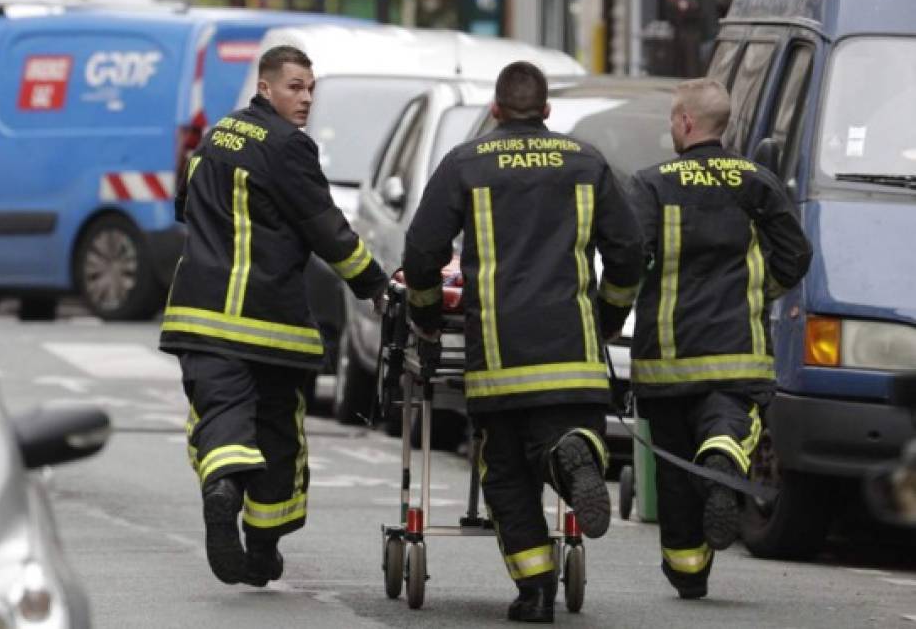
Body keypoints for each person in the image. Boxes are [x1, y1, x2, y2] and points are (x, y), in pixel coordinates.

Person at [402, 61, 642, 623]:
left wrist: (429, 317)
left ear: (494, 110)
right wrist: (608, 315)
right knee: (572, 433)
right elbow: (630, 250)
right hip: (574, 354)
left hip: (501, 360)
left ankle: (536, 591)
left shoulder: (467, 164)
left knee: (506, 473)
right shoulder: (586, 162)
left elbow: (421, 253)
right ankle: (571, 455)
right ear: (547, 112)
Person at [159, 45, 388, 587]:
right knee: (277, 435)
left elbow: (182, 205)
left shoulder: (215, 136)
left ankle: (221, 493)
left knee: (221, 419)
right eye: (294, 87)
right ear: (265, 89)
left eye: (310, 88)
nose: (306, 98)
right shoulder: (290, 147)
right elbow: (326, 228)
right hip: (269, 323)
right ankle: (262, 549)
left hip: (199, 317)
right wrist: (376, 285)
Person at [629, 77, 812, 600]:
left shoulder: (651, 184)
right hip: (737, 356)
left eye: (672, 117)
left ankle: (688, 570)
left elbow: (627, 258)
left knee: (672, 471)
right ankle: (723, 463)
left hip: (667, 361)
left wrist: (607, 316)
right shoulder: (757, 182)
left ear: (686, 122)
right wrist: (761, 288)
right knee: (727, 431)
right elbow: (795, 255)